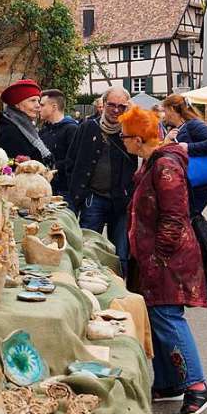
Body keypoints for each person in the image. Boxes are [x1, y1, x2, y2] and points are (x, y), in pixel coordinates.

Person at [118, 105, 207, 414]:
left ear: (137, 138)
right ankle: (169, 383)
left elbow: (174, 217)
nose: (122, 141)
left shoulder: (165, 165)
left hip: (168, 259)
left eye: (124, 136)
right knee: (158, 314)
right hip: (156, 256)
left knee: (168, 317)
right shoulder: (153, 162)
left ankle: (197, 386)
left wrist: (158, 256)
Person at [64, 86, 137, 275]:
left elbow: (147, 151)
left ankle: (121, 294)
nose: (115, 110)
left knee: (121, 254)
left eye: (121, 107)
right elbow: (71, 160)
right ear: (103, 105)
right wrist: (79, 192)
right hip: (93, 198)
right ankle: (89, 289)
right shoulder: (88, 127)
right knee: (88, 249)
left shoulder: (131, 131)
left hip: (121, 201)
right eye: (111, 105)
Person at [161, 94, 207, 218]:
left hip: (200, 183)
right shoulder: (178, 128)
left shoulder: (193, 124)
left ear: (172, 109)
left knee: (187, 219)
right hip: (192, 184)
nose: (164, 115)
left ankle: (203, 238)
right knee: (187, 219)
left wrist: (188, 148)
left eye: (165, 110)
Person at [0, 79, 53, 165]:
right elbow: (10, 171)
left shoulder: (26, 127)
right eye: (32, 101)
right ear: (17, 104)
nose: (38, 105)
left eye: (38, 101)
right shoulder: (10, 131)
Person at [38, 89, 78, 200]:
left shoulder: (71, 129)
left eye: (42, 105)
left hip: (64, 191)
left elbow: (74, 160)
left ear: (54, 107)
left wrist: (53, 168)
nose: (39, 108)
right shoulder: (43, 131)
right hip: (45, 189)